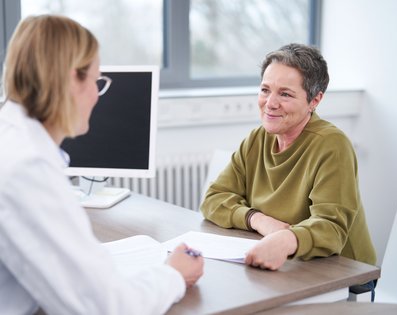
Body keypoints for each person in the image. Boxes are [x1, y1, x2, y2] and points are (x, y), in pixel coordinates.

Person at [0, 15, 203, 315]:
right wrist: (173, 274)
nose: (97, 94)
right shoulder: (28, 167)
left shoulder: (12, 139)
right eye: (97, 80)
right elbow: (106, 308)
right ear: (72, 79)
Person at [201, 43, 376, 272]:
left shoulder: (332, 145)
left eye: (285, 94)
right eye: (265, 90)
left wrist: (286, 238)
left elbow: (331, 229)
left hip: (343, 273)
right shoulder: (257, 139)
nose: (270, 103)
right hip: (288, 264)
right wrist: (258, 220)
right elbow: (213, 199)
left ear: (315, 100)